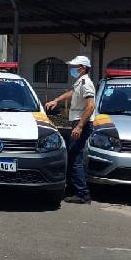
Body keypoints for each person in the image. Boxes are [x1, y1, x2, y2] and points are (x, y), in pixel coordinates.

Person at [45, 56, 95, 204]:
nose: (72, 69)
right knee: (74, 156)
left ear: (83, 68)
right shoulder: (80, 82)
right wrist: (57, 100)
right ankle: (76, 189)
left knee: (75, 158)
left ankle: (82, 193)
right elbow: (72, 92)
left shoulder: (86, 83)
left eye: (75, 66)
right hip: (78, 123)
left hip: (82, 124)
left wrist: (80, 126)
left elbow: (91, 106)